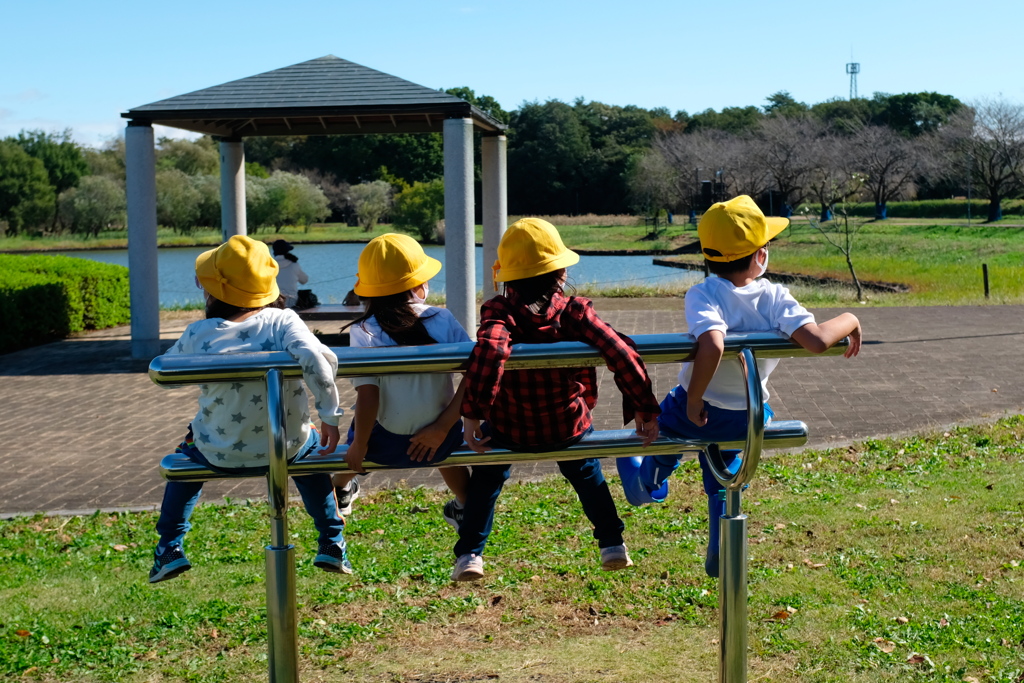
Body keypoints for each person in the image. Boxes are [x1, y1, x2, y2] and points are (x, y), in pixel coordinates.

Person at [618, 195, 862, 578]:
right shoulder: (776, 296)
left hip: (698, 408)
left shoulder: (703, 293)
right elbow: (816, 341)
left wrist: (696, 397)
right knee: (725, 468)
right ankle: (721, 538)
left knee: (666, 434)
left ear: (708, 257)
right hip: (747, 416)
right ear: (760, 255)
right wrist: (849, 316)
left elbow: (713, 342)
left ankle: (648, 483)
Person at [454, 218, 662, 582]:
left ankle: (471, 553)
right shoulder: (575, 313)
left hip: (509, 427)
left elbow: (489, 351)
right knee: (588, 475)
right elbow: (621, 352)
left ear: (505, 276)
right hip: (569, 425)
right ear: (561, 273)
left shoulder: (499, 312)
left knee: (486, 480)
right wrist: (643, 405)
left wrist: (473, 413)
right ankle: (612, 543)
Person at [150, 235, 350, 583]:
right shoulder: (284, 321)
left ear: (212, 291)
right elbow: (317, 359)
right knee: (312, 450)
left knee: (185, 460)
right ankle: (331, 540)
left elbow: (167, 371)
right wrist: (329, 414)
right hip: (287, 447)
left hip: (219, 450)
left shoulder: (200, 332)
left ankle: (169, 546)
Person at [330, 234, 472, 526]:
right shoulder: (442, 318)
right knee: (450, 456)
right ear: (419, 285)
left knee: (357, 451)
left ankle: (342, 486)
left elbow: (369, 397)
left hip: (382, 443)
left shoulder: (364, 330)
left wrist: (360, 447)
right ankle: (464, 505)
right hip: (440, 440)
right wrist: (443, 426)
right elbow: (474, 377)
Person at [272, 239, 309, 308]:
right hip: (292, 301)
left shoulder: (269, 265)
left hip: (273, 302)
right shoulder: (294, 264)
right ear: (287, 251)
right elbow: (304, 280)